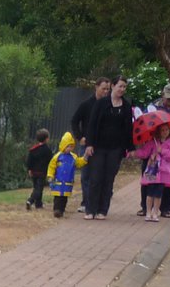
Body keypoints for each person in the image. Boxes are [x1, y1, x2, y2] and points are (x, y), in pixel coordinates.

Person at [84, 76, 134, 219]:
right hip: (98, 147)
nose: (122, 89)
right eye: (120, 86)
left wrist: (130, 148)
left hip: (115, 148)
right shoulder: (101, 103)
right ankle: (90, 209)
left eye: (124, 87)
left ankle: (102, 210)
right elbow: (92, 124)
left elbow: (128, 128)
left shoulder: (126, 106)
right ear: (113, 86)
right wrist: (89, 144)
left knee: (108, 179)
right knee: (95, 178)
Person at [141, 83, 170, 217]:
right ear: (163, 94)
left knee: (169, 180)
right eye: (168, 98)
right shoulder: (153, 107)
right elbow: (145, 123)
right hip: (154, 149)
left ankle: (165, 208)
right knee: (148, 178)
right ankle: (145, 207)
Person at [71, 77, 110, 212]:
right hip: (87, 143)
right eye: (103, 88)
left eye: (108, 89)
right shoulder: (87, 104)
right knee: (86, 174)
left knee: (101, 174)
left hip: (103, 144)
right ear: (96, 87)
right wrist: (79, 137)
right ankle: (86, 202)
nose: (106, 91)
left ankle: (98, 203)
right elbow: (74, 120)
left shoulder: (110, 104)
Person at [133, 120, 170, 221]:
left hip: (163, 173)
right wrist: (134, 153)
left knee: (158, 194)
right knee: (149, 193)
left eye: (167, 130)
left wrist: (162, 150)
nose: (165, 132)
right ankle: (148, 211)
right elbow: (144, 152)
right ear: (158, 131)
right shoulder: (153, 142)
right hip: (153, 171)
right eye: (162, 130)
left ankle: (155, 212)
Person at [46, 131, 86, 217]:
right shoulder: (57, 156)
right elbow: (51, 166)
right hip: (58, 181)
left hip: (67, 182)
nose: (70, 148)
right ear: (63, 145)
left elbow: (79, 163)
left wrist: (85, 157)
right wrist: (50, 176)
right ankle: (57, 210)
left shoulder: (73, 156)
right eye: (68, 146)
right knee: (58, 197)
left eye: (71, 147)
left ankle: (62, 210)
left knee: (64, 197)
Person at [25, 128, 52, 210]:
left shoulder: (33, 149)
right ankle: (30, 200)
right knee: (39, 189)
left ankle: (39, 204)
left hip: (34, 172)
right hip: (42, 172)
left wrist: (29, 169)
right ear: (47, 139)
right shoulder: (47, 150)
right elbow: (50, 161)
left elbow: (29, 160)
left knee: (36, 187)